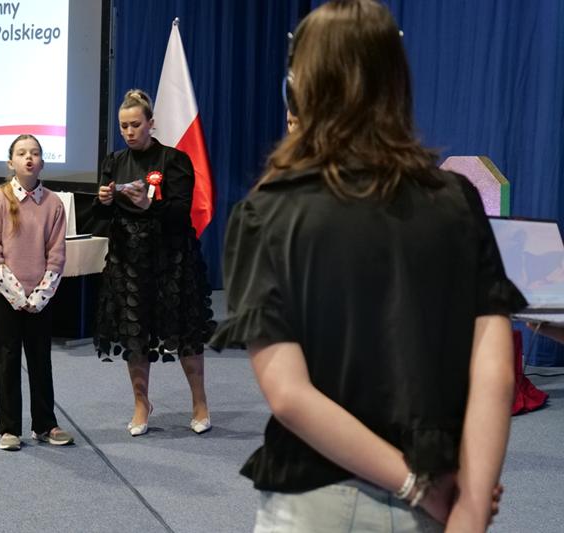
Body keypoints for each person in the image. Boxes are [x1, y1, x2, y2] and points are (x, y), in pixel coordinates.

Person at [210, 1, 526, 531]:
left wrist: (418, 488)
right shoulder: (457, 199)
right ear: (397, 83)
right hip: (446, 502)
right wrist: (469, 505)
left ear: (297, 90)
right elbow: (494, 369)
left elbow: (289, 395)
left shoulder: (266, 212)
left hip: (321, 504)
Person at [93, 89, 216, 436]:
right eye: (123, 126)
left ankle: (200, 402)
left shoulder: (174, 160)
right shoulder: (114, 162)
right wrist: (103, 201)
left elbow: (181, 212)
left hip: (171, 258)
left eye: (135, 124)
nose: (129, 132)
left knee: (185, 331)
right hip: (128, 260)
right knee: (134, 334)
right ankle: (141, 404)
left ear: (151, 123)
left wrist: (150, 207)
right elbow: (100, 218)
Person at [0, 134, 74, 451]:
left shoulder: (54, 204)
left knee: (40, 358)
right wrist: (18, 296)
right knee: (7, 358)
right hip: (3, 295)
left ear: (42, 163)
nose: (29, 158)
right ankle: (9, 429)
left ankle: (45, 424)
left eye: (34, 153)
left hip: (40, 298)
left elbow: (56, 256)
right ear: (11, 163)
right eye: (21, 153)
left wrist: (38, 297)